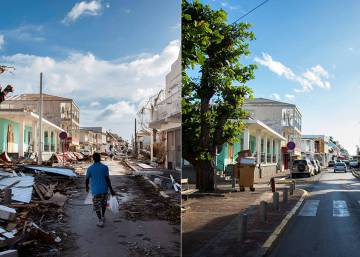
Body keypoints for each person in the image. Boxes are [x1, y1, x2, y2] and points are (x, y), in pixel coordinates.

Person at [86, 152, 115, 227]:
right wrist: (111, 189)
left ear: (93, 159)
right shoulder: (105, 167)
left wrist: (87, 187)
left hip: (96, 191)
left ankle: (100, 220)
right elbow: (107, 179)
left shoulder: (90, 168)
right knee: (103, 204)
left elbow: (87, 179)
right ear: (99, 158)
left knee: (96, 206)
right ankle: (103, 216)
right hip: (104, 189)